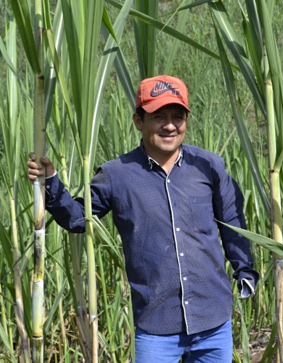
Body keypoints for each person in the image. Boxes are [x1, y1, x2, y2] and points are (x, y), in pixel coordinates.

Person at [28, 75, 259, 363]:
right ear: (139, 121)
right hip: (156, 325)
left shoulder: (209, 165)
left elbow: (232, 220)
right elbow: (77, 218)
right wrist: (50, 180)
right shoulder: (116, 174)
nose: (170, 125)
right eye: (158, 117)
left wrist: (245, 270)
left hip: (213, 321)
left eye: (178, 116)